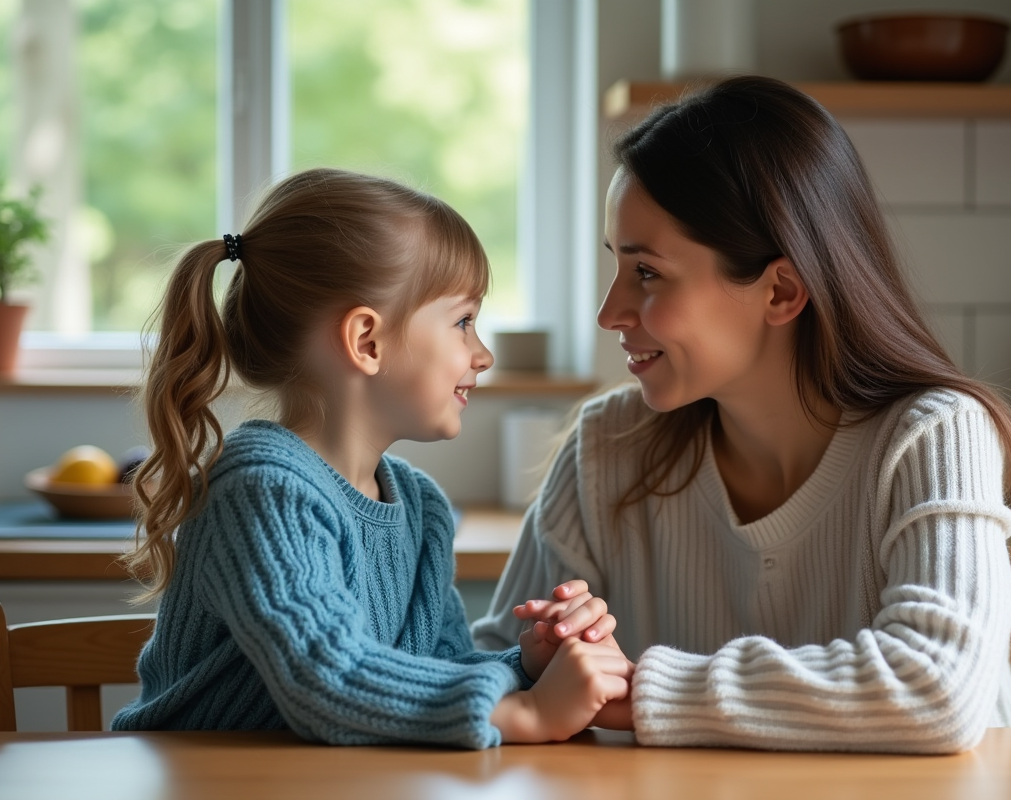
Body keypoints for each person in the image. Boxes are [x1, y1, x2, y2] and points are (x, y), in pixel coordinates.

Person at [474, 76, 1011, 753]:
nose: (608, 313)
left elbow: (935, 689)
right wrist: (535, 664)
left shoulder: (933, 435)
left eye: (647, 273)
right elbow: (485, 668)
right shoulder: (607, 445)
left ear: (781, 291)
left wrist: (641, 692)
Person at [111, 168, 632, 748]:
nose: (482, 354)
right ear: (367, 341)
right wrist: (530, 715)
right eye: (463, 321)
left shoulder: (420, 508)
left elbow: (436, 671)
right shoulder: (261, 489)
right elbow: (330, 679)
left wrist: (528, 665)